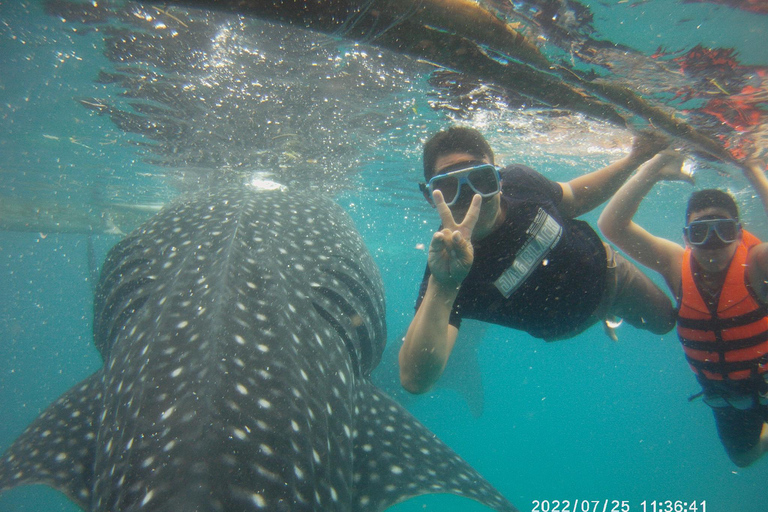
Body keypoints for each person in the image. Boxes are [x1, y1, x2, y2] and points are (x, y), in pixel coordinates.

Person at [399, 126, 677, 395]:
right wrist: (445, 286)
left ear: (500, 178)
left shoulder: (521, 182)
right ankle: (605, 316)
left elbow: (576, 197)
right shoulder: (447, 269)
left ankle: (656, 168)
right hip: (568, 326)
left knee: (666, 321)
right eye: (448, 188)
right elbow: (415, 380)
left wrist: (636, 158)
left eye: (481, 179)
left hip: (613, 277)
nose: (471, 197)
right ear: (429, 197)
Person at [597, 152, 768, 467]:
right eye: (700, 232)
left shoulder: (758, 264)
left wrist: (753, 171)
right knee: (743, 458)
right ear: (686, 238)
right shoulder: (677, 264)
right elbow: (612, 226)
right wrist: (651, 169)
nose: (712, 242)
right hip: (723, 395)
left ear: (739, 232)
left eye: (724, 231)